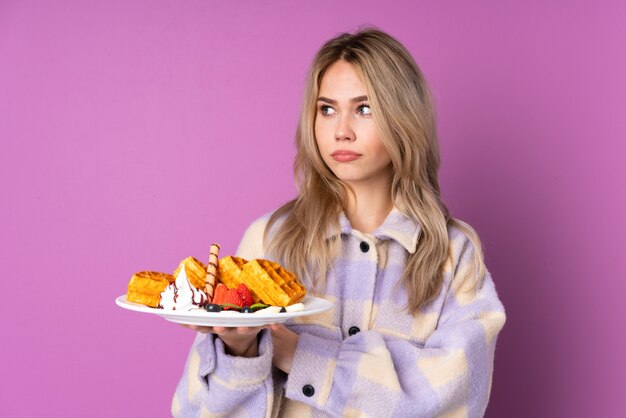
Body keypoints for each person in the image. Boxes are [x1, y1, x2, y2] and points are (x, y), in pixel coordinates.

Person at [172, 28, 506, 418]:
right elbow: (197, 410)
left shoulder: (452, 252)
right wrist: (240, 352)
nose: (341, 130)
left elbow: (456, 398)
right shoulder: (269, 240)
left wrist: (299, 355)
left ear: (405, 118)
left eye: (364, 109)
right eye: (327, 109)